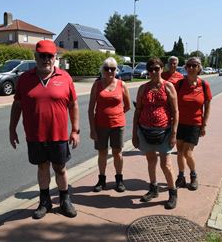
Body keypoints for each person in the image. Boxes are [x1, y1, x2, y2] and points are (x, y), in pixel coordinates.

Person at [9, 40, 79, 219]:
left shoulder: (65, 77)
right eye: (42, 55)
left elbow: (73, 105)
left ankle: (64, 200)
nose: (46, 59)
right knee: (42, 167)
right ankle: (45, 201)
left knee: (60, 168)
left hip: (59, 135)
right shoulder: (25, 79)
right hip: (35, 135)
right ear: (35, 56)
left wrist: (75, 130)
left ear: (55, 57)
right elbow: (17, 105)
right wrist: (12, 129)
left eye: (50, 56)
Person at [132, 57, 179, 209]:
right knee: (151, 161)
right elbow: (138, 110)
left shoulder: (169, 87)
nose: (153, 72)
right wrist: (134, 133)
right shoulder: (142, 88)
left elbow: (175, 111)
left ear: (161, 69)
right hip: (145, 130)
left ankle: (172, 193)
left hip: (164, 131)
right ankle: (153, 188)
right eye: (150, 69)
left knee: (166, 164)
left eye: (156, 69)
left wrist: (174, 133)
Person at [88, 57, 131, 193]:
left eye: (112, 68)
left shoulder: (122, 84)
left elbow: (128, 106)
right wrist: (92, 129)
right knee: (102, 153)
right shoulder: (97, 85)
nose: (110, 71)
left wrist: (116, 115)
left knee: (117, 152)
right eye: (107, 68)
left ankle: (119, 180)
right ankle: (102, 180)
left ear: (116, 70)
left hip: (117, 125)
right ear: (103, 70)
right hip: (100, 125)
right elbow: (90, 109)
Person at [174, 57, 212, 191]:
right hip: (179, 123)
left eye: (194, 65)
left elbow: (207, 106)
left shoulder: (204, 85)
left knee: (187, 152)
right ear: (185, 67)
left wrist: (204, 125)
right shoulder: (179, 84)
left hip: (195, 123)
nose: (191, 68)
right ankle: (181, 177)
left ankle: (194, 176)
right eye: (188, 65)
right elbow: (172, 104)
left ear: (199, 68)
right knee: (179, 152)